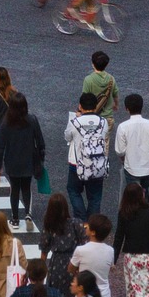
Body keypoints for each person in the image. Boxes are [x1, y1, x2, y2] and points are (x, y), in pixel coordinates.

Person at [0, 90, 45, 231]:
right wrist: (41, 159)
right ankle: (28, 214)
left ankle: (15, 219)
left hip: (12, 161)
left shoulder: (6, 123)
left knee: (14, 189)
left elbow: (0, 147)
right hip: (28, 160)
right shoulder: (32, 120)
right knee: (27, 188)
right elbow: (40, 142)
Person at [113, 182, 149, 297]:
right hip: (148, 257)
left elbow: (119, 238)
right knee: (147, 294)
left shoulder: (124, 214)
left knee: (134, 294)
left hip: (131, 258)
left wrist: (113, 259)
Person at [64, 92, 109, 221]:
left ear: (80, 106)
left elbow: (67, 136)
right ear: (96, 107)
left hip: (77, 164)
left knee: (73, 191)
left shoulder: (75, 122)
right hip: (97, 164)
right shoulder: (103, 122)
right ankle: (93, 222)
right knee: (95, 196)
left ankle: (81, 218)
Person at [40, 193, 87, 297]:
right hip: (74, 262)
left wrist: (40, 272)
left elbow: (44, 250)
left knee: (55, 295)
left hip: (56, 264)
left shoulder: (49, 225)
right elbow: (85, 244)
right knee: (73, 293)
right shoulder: (76, 223)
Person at [115, 94, 149, 193]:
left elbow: (120, 151)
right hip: (148, 168)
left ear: (127, 109)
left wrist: (123, 160)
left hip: (131, 168)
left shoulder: (122, 127)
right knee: (146, 191)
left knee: (133, 195)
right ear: (142, 107)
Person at [68, 215, 115, 297]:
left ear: (93, 232)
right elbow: (110, 268)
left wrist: (78, 273)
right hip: (104, 296)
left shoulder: (80, 250)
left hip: (85, 295)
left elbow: (70, 269)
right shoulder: (110, 250)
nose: (85, 227)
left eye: (88, 226)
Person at [81, 51, 118, 142]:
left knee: (89, 141)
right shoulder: (111, 79)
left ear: (93, 64)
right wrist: (116, 104)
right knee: (105, 142)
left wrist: (79, 111)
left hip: (92, 117)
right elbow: (115, 94)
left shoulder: (88, 80)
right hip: (108, 118)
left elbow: (84, 98)